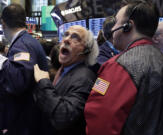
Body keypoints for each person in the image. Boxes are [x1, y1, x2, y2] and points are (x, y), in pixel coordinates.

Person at [84, 1, 163, 135]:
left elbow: (99, 120)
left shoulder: (117, 66)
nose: (112, 29)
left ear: (128, 26)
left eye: (116, 22)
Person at [33, 25, 99, 135]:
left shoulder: (85, 79)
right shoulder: (65, 70)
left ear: (86, 50)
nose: (66, 39)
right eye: (66, 35)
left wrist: (43, 82)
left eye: (75, 37)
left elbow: (63, 117)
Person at [0, 3, 48, 135]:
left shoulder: (22, 45)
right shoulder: (27, 41)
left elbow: (17, 83)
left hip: (25, 122)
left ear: (3, 23)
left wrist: (2, 61)